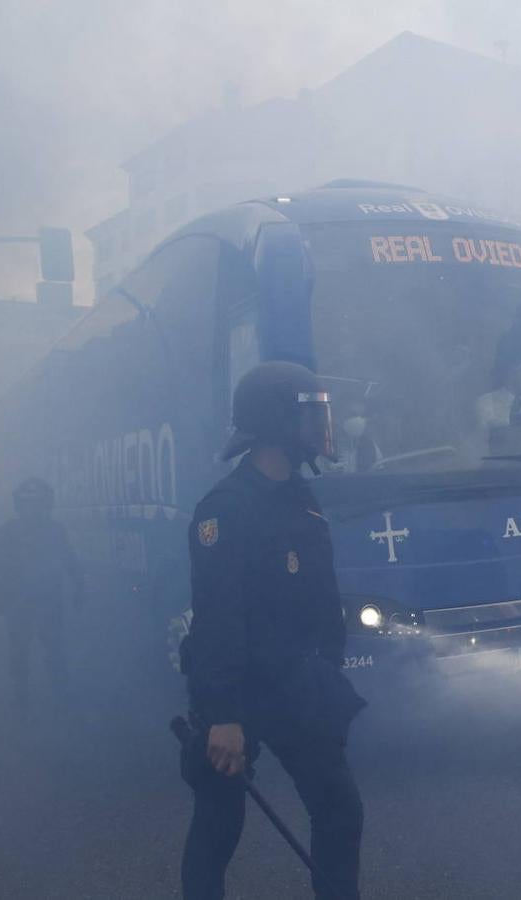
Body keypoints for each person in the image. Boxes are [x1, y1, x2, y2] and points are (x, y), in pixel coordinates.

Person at [180, 361, 365, 900]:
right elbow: (217, 619)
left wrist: (327, 669)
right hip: (240, 691)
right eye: (309, 417)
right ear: (275, 423)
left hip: (295, 685)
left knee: (339, 809)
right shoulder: (225, 510)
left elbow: (318, 595)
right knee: (219, 826)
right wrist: (223, 716)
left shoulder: (300, 497)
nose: (320, 429)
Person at [0, 478, 84, 711]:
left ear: (46, 504)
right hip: (18, 602)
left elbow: (70, 560)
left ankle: (61, 691)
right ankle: (21, 692)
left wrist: (79, 587)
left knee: (55, 647)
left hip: (49, 600)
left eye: (38, 503)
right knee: (19, 649)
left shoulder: (55, 530)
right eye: (27, 503)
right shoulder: (8, 532)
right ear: (19, 505)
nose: (33, 508)